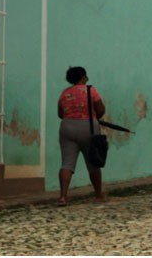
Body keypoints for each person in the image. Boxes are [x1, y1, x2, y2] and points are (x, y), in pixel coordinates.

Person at [57, 66, 107, 205]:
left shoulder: (64, 93)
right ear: (83, 77)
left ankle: (63, 196)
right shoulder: (91, 90)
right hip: (88, 127)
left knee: (67, 163)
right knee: (93, 163)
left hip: (67, 127)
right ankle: (98, 195)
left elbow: (60, 114)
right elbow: (100, 109)